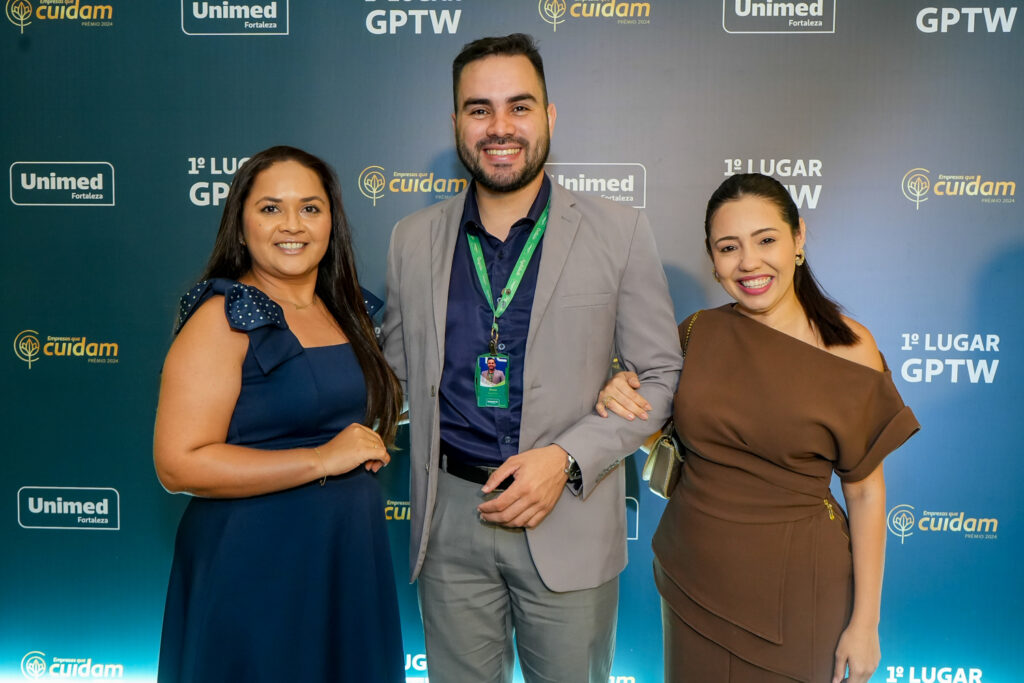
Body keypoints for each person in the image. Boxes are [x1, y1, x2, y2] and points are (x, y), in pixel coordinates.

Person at [381, 34, 682, 683]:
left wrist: (568, 456)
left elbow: (660, 377)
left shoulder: (619, 230)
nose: (499, 127)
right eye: (479, 108)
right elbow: (392, 378)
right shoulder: (412, 239)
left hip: (568, 511)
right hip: (449, 518)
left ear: (549, 116)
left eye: (519, 107)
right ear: (457, 121)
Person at [598, 173, 920, 683]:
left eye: (766, 240)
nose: (749, 262)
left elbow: (864, 493)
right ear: (713, 259)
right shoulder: (697, 332)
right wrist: (622, 399)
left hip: (800, 598)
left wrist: (866, 623)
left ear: (798, 239)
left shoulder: (851, 347)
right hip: (692, 580)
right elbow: (659, 438)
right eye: (729, 247)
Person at [153, 145, 405, 683]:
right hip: (257, 565)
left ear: (332, 223)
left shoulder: (346, 310)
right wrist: (322, 459)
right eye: (271, 208)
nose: (292, 224)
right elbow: (178, 465)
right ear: (240, 226)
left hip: (345, 558)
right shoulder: (223, 317)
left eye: (310, 208)